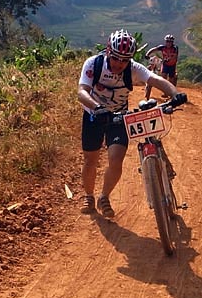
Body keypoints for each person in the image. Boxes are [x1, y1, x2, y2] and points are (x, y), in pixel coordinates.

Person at [77, 29, 186, 217]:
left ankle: (104, 196)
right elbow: (82, 91)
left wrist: (175, 94)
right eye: (116, 58)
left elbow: (155, 79)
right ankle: (89, 196)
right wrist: (96, 108)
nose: (120, 64)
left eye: (125, 60)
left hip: (119, 117)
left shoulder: (133, 68)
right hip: (94, 116)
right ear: (108, 52)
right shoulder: (94, 64)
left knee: (116, 160)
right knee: (90, 160)